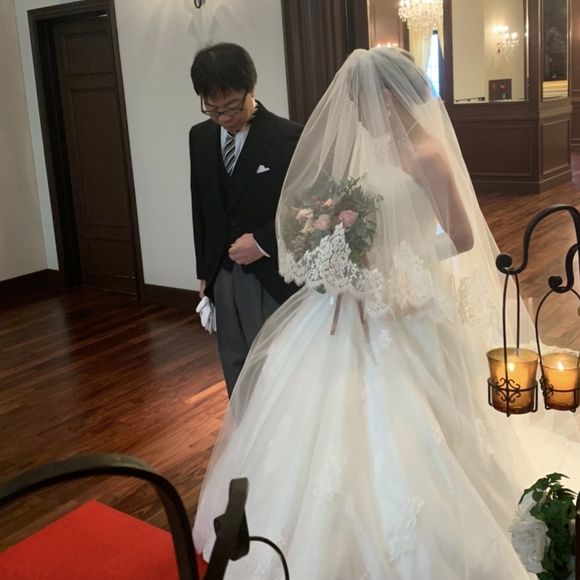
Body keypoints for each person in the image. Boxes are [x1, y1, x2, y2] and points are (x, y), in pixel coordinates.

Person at [192, 47, 580, 578]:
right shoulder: (374, 152)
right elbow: (358, 223)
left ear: (390, 99)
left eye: (360, 104)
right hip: (353, 301)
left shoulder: (428, 154)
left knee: (410, 417)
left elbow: (461, 237)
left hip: (405, 303)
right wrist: (344, 258)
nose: (355, 116)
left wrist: (397, 265)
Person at [189, 43, 302, 396]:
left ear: (250, 88)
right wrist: (204, 273)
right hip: (222, 273)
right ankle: (243, 428)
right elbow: (201, 207)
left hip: (270, 272)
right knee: (234, 362)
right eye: (213, 109)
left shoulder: (288, 136)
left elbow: (306, 209)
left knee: (273, 365)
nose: (223, 117)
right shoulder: (199, 137)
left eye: (232, 106)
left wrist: (264, 242)